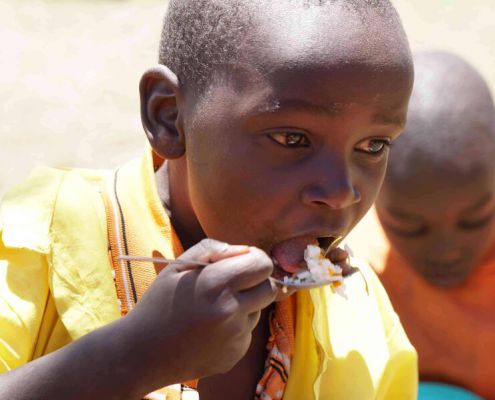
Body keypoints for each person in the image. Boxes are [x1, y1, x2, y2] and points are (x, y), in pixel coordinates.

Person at [0, 0, 417, 399]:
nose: (341, 192)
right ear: (169, 116)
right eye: (292, 139)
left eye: (374, 145)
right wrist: (135, 356)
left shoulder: (359, 315)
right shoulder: (31, 251)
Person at [346, 52, 495, 400]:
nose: (447, 251)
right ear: (367, 196)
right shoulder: (355, 279)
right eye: (410, 228)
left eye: (475, 220)